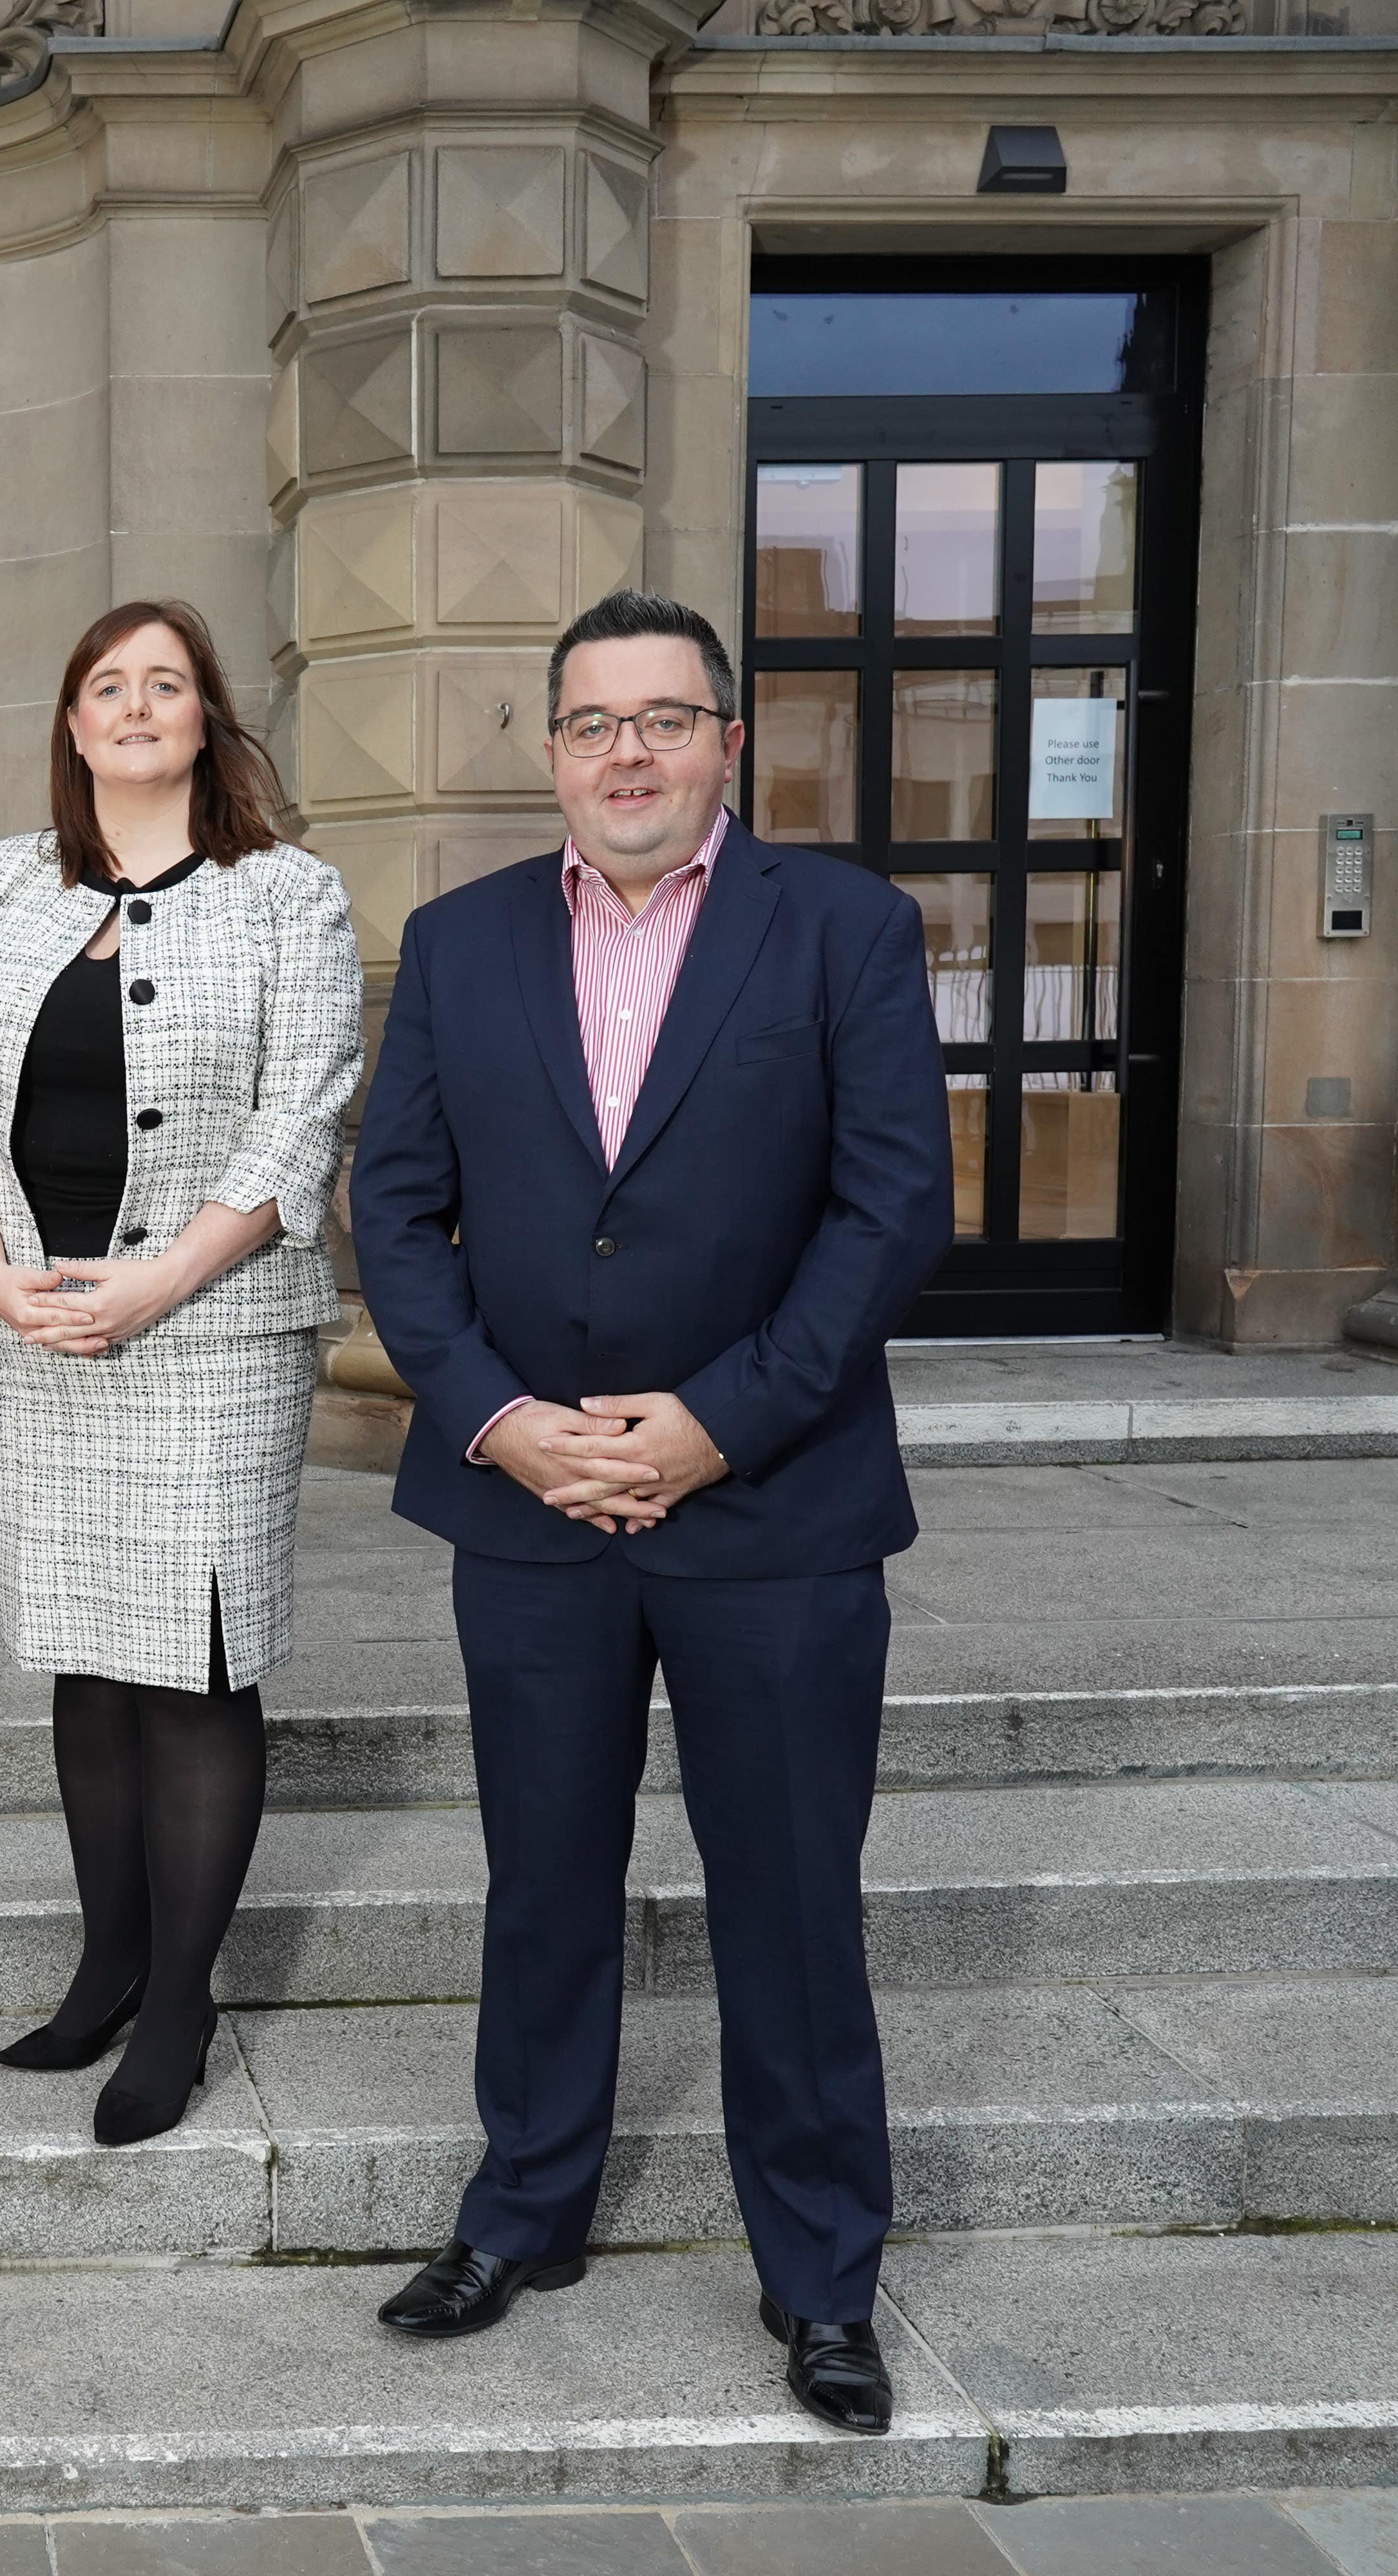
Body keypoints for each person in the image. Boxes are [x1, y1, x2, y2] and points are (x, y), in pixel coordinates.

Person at [347, 590, 953, 2436]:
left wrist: (711, 1426)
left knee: (789, 1902)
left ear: (725, 744)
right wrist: (505, 1425)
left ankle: (824, 2277)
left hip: (773, 1511)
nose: (628, 752)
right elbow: (394, 1211)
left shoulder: (845, 930)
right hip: (532, 1515)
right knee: (544, 1888)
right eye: (594, 722)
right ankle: (522, 2212)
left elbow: (889, 1212)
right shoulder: (458, 947)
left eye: (665, 719)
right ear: (550, 751)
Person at [0, 600, 361, 2149]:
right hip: (34, 1331)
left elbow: (303, 1118)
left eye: (169, 682)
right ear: (76, 722)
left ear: (207, 719)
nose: (140, 704)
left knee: (196, 1662)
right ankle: (106, 1963)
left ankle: (181, 2002)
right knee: (88, 1658)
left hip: (212, 1332)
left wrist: (160, 1280)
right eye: (112, 683)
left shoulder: (289, 895)